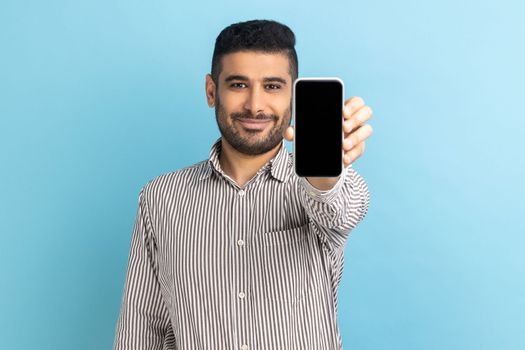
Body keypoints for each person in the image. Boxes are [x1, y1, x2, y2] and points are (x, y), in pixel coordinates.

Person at [113, 19, 373, 350]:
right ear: (211, 91)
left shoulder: (328, 185)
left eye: (273, 86)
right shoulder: (161, 196)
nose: (255, 105)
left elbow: (338, 211)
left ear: (293, 95)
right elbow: (142, 325)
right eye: (238, 85)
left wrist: (326, 174)